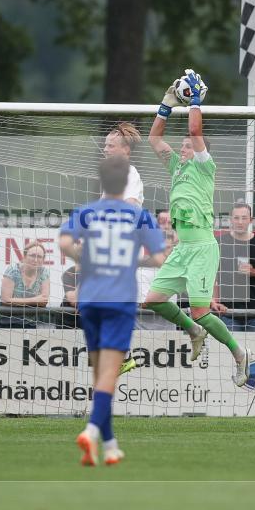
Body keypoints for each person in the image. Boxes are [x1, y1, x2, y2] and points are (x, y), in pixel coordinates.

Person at [143, 69, 251, 386]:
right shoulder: (177, 166)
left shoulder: (205, 166)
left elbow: (194, 127)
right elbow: (154, 139)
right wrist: (166, 103)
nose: (184, 147)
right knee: (153, 300)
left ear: (200, 149)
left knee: (200, 310)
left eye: (189, 145)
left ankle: (239, 353)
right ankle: (194, 331)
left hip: (202, 247)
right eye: (183, 145)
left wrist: (195, 101)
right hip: (183, 249)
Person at [59, 156, 166, 466]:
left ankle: (110, 445)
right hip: (119, 299)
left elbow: (64, 242)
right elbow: (159, 258)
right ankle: (91, 430)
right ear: (127, 183)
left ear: (102, 182)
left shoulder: (87, 211)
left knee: (99, 373)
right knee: (110, 372)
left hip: (89, 298)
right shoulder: (139, 216)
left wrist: (84, 257)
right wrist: (134, 260)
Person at [211, 202, 255, 331]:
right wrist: (213, 301)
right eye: (236, 218)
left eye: (244, 218)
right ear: (231, 220)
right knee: (229, 344)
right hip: (227, 312)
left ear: (251, 220)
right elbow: (210, 276)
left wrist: (254, 272)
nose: (240, 222)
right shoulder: (219, 243)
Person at [102, 122, 144, 206]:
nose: (105, 149)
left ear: (126, 150)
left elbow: (129, 205)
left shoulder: (130, 173)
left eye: (111, 146)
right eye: (105, 145)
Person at [0, 241, 50, 307]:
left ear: (43, 259)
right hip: (10, 312)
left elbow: (44, 301)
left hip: (34, 313)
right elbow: (5, 300)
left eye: (39, 257)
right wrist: (34, 300)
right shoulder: (13, 270)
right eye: (32, 256)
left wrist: (17, 301)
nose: (35, 260)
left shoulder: (44, 272)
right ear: (24, 256)